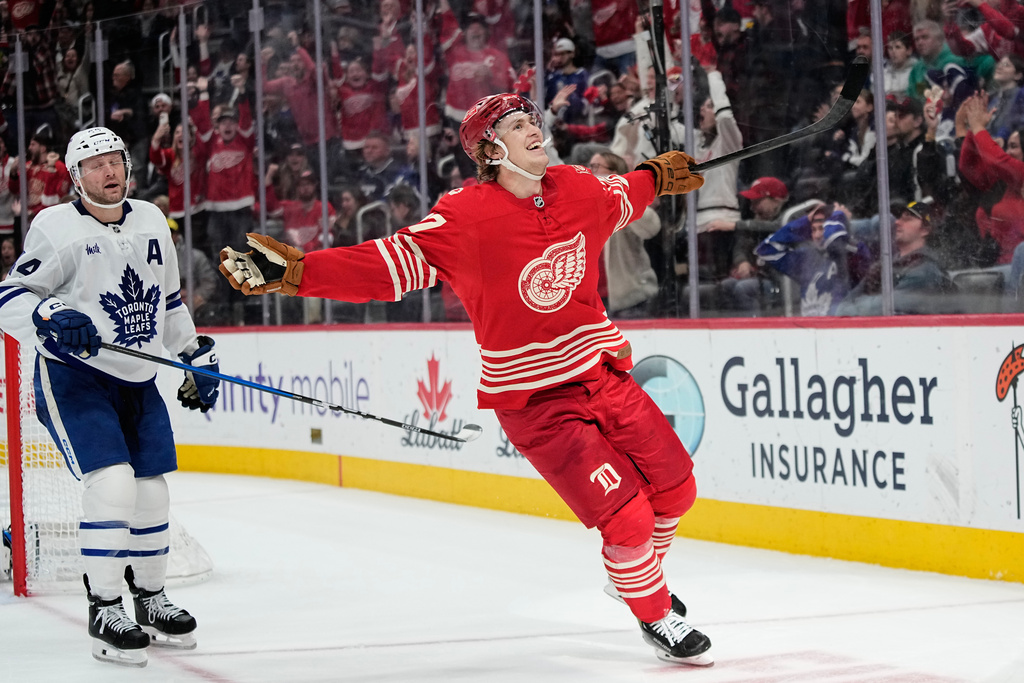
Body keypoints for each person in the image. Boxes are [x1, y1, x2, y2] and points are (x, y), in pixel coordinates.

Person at [219, 93, 714, 667]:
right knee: (627, 518)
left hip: (604, 374)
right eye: (516, 125)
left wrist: (655, 173)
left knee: (678, 488)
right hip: (535, 403)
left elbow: (626, 194)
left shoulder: (578, 187)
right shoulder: (465, 216)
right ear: (489, 147)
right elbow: (386, 265)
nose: (533, 129)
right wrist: (300, 273)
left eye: (533, 120)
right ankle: (655, 614)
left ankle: (633, 575)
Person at [0, 127, 219, 667]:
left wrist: (194, 353)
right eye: (94, 164)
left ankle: (150, 598)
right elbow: (10, 297)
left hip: (138, 380)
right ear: (75, 177)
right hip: (76, 378)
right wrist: (51, 315)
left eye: (115, 160)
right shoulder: (54, 228)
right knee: (114, 483)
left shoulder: (150, 220)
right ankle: (104, 606)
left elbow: (168, 303)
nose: (108, 171)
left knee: (152, 493)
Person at [837, 198, 955, 315]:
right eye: (899, 218)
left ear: (925, 230)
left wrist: (856, 306)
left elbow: (884, 307)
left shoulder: (926, 270)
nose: (897, 222)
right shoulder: (885, 265)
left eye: (907, 219)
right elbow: (842, 308)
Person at [755, 202, 871, 316]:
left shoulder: (854, 251)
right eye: (813, 230)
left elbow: (833, 240)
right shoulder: (806, 258)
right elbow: (766, 250)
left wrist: (839, 217)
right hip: (809, 330)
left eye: (821, 228)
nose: (816, 235)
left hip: (841, 329)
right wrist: (804, 223)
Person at [589, 151, 660, 318]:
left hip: (632, 301)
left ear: (613, 174)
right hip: (596, 303)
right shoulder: (588, 207)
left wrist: (619, 194)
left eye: (595, 167)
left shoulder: (626, 204)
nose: (590, 172)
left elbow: (652, 228)